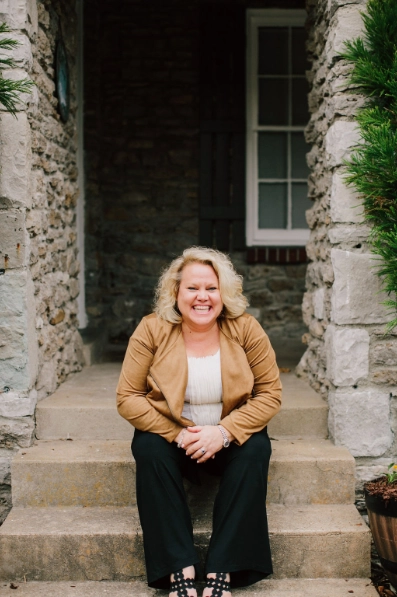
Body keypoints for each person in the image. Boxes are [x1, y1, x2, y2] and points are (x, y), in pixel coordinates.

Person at [116, 247, 282, 597]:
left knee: (255, 450)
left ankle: (224, 567)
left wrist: (223, 432)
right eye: (192, 288)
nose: (202, 297)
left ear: (224, 293)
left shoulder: (246, 328)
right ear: (175, 293)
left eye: (211, 287)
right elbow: (128, 397)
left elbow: (270, 394)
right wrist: (177, 435)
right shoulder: (152, 329)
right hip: (175, 437)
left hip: (230, 436)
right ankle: (179, 568)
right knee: (147, 446)